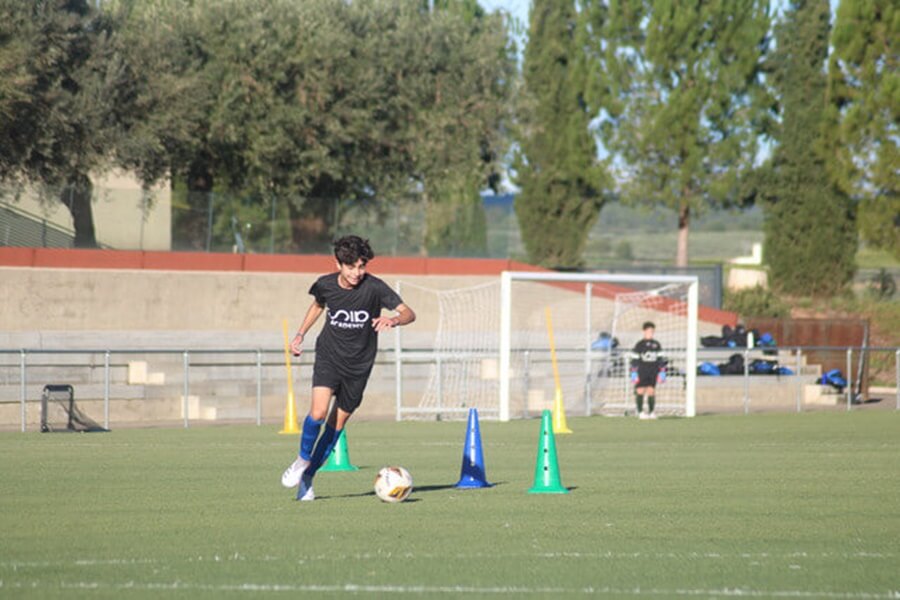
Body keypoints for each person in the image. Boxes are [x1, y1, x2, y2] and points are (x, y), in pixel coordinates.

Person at [280, 235, 416, 501]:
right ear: (338, 264)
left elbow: (410, 313)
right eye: (351, 266)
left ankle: (307, 479)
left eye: (361, 266)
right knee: (317, 412)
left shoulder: (375, 288)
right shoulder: (325, 284)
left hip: (359, 366)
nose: (357, 273)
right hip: (329, 357)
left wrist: (394, 320)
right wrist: (300, 335)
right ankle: (301, 460)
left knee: (336, 424)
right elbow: (318, 305)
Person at [629, 321, 666, 419]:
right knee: (640, 390)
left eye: (652, 331)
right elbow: (634, 359)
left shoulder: (656, 344)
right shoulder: (640, 344)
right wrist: (634, 372)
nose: (651, 333)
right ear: (644, 331)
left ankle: (652, 412)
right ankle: (640, 412)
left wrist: (662, 371)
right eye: (649, 331)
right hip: (642, 370)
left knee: (651, 391)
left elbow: (661, 358)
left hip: (653, 371)